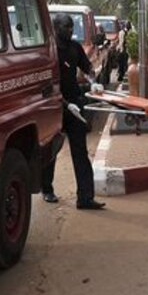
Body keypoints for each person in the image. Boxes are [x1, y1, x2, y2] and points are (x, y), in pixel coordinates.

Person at [42, 13, 106, 210]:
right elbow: (45, 85)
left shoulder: (74, 47)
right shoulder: (48, 51)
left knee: (80, 151)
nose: (70, 31)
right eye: (66, 27)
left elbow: (87, 68)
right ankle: (47, 189)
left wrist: (93, 82)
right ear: (55, 28)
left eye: (71, 27)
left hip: (75, 107)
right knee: (51, 151)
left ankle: (85, 198)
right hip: (55, 106)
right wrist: (63, 102)